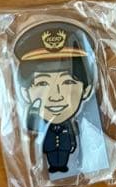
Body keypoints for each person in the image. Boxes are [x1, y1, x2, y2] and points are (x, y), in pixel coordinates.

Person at [14, 23, 96, 174]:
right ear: (25, 92)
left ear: (86, 90)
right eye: (43, 83)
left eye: (68, 82)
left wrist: (72, 145)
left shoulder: (78, 126)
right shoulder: (33, 123)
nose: (56, 96)